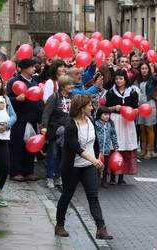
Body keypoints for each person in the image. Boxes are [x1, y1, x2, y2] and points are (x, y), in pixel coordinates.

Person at [55, 95, 113, 240]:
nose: (92, 107)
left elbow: (94, 143)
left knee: (93, 196)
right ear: (81, 108)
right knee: (67, 195)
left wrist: (97, 157)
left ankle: (101, 228)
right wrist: (94, 160)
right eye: (89, 105)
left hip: (89, 166)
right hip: (72, 166)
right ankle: (59, 225)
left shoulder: (90, 121)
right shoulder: (70, 125)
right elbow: (76, 147)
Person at [6, 58, 43, 182]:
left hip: (32, 120)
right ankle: (15, 171)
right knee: (17, 146)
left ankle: (28, 171)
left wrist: (40, 118)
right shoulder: (14, 82)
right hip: (19, 120)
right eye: (31, 66)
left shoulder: (34, 82)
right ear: (24, 68)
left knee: (31, 146)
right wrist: (16, 99)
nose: (34, 68)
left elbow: (38, 101)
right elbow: (7, 99)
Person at [105, 69, 138, 185]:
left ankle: (121, 176)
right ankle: (113, 176)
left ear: (125, 79)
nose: (118, 81)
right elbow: (106, 109)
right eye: (116, 79)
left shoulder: (132, 92)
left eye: (121, 78)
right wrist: (115, 108)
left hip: (127, 122)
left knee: (125, 149)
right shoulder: (111, 92)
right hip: (115, 120)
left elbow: (136, 108)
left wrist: (129, 111)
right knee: (115, 147)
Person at [41, 75, 74, 188]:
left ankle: (58, 176)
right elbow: (46, 113)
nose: (71, 86)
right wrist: (44, 126)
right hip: (55, 130)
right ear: (63, 86)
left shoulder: (73, 97)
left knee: (63, 155)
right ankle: (50, 176)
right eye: (69, 84)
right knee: (53, 154)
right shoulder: (54, 97)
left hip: (67, 130)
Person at [0, 71, 16, 206]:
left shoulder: (5, 98)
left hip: (2, 136)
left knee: (5, 167)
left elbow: (13, 116)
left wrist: (7, 125)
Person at [136, 62, 157, 159]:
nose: (144, 70)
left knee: (149, 128)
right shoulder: (139, 79)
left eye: (146, 68)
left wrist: (156, 70)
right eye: (142, 68)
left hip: (150, 105)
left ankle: (150, 151)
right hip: (140, 106)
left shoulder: (152, 79)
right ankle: (143, 149)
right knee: (142, 128)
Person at [94, 107, 119, 188]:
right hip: (97, 148)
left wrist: (116, 146)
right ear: (100, 115)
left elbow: (113, 134)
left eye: (108, 115)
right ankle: (95, 180)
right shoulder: (96, 123)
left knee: (105, 165)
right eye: (105, 114)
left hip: (107, 149)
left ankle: (104, 180)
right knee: (96, 164)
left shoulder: (110, 123)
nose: (107, 116)